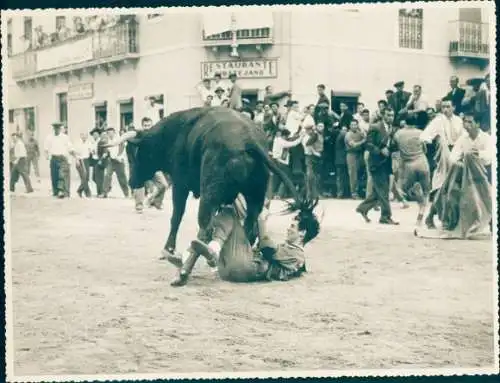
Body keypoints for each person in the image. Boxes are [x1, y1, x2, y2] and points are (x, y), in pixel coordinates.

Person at [168, 194, 320, 287]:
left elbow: (266, 246)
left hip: (243, 268)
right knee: (217, 221)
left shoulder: (297, 253)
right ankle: (186, 266)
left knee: (228, 213)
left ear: (302, 233)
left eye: (293, 227)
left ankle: (213, 250)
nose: (288, 229)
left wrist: (261, 219)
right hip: (232, 270)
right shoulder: (294, 253)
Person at [415, 112, 492, 239]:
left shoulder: (486, 138)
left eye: (470, 122)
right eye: (465, 122)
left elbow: (490, 156)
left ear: (478, 124)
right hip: (463, 173)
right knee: (449, 192)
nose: (466, 125)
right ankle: (446, 220)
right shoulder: (463, 139)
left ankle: (489, 222)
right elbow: (453, 157)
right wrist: (462, 160)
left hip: (482, 173)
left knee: (486, 195)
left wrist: (475, 154)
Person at [419, 99, 465, 229]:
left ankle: (449, 220)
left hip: (457, 157)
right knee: (441, 188)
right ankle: (431, 217)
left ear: (453, 107)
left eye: (448, 106)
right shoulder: (438, 121)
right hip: (443, 158)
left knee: (455, 189)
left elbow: (464, 137)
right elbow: (424, 136)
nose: (445, 109)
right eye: (443, 107)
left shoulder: (459, 121)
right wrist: (433, 141)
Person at [355, 108, 399, 225]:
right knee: (383, 190)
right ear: (383, 115)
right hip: (376, 163)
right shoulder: (375, 127)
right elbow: (368, 144)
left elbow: (391, 144)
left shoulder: (392, 129)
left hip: (386, 163)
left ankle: (363, 208)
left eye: (392, 115)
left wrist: (393, 148)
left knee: (378, 191)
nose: (391, 117)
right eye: (388, 115)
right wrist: (380, 151)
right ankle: (385, 217)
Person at [392, 111, 431, 228]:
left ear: (405, 122)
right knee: (426, 192)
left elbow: (396, 147)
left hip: (408, 165)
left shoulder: (398, 133)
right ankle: (421, 215)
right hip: (422, 162)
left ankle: (416, 194)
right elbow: (425, 149)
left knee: (407, 191)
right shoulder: (421, 132)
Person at [44, 121, 74, 198]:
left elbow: (70, 148)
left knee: (62, 175)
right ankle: (56, 191)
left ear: (60, 129)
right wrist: (46, 155)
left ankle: (62, 191)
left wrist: (72, 158)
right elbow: (46, 148)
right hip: (54, 158)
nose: (56, 129)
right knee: (54, 176)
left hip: (62, 158)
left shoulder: (65, 137)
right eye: (55, 128)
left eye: (58, 128)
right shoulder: (49, 137)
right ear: (53, 128)